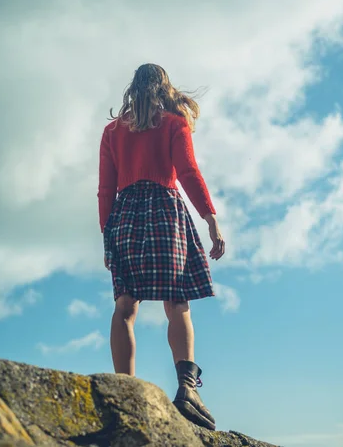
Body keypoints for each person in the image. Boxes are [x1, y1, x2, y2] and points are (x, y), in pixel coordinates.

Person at [98, 63, 225, 431]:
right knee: (177, 301)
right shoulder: (173, 123)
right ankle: (188, 388)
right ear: (164, 88)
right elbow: (187, 172)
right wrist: (210, 217)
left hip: (124, 215)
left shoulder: (112, 132)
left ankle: (126, 389)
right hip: (164, 210)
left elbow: (106, 190)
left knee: (125, 305)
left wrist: (108, 236)